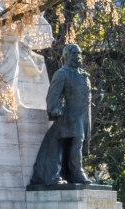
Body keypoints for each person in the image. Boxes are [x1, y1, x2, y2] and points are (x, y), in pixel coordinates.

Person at [32, 44, 93, 186]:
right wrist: (53, 109)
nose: (77, 57)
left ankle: (72, 173)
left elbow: (85, 97)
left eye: (79, 53)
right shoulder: (62, 73)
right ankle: (78, 173)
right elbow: (53, 94)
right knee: (77, 142)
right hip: (71, 115)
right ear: (66, 56)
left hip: (84, 115)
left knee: (79, 143)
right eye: (74, 54)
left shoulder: (84, 75)